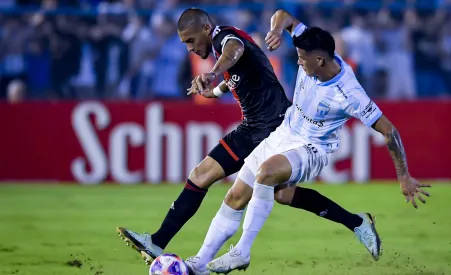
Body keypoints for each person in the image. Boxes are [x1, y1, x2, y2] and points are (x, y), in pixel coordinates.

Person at [116, 8, 373, 268]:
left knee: (206, 178)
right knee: (277, 193)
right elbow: (238, 73)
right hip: (254, 126)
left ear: (206, 29)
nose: (190, 48)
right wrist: (216, 90)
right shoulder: (223, 47)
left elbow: (234, 51)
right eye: (185, 44)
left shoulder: (225, 40)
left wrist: (213, 73)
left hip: (272, 126)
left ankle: (173, 247)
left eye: (191, 41)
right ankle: (357, 222)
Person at [185, 10, 432, 275]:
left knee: (266, 174)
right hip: (283, 133)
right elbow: (283, 15)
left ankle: (242, 252)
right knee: (241, 195)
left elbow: (389, 131)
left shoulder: (349, 94)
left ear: (320, 59)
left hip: (312, 148)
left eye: (302, 59)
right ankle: (200, 264)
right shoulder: (309, 43)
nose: (299, 63)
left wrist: (403, 176)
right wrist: (279, 31)